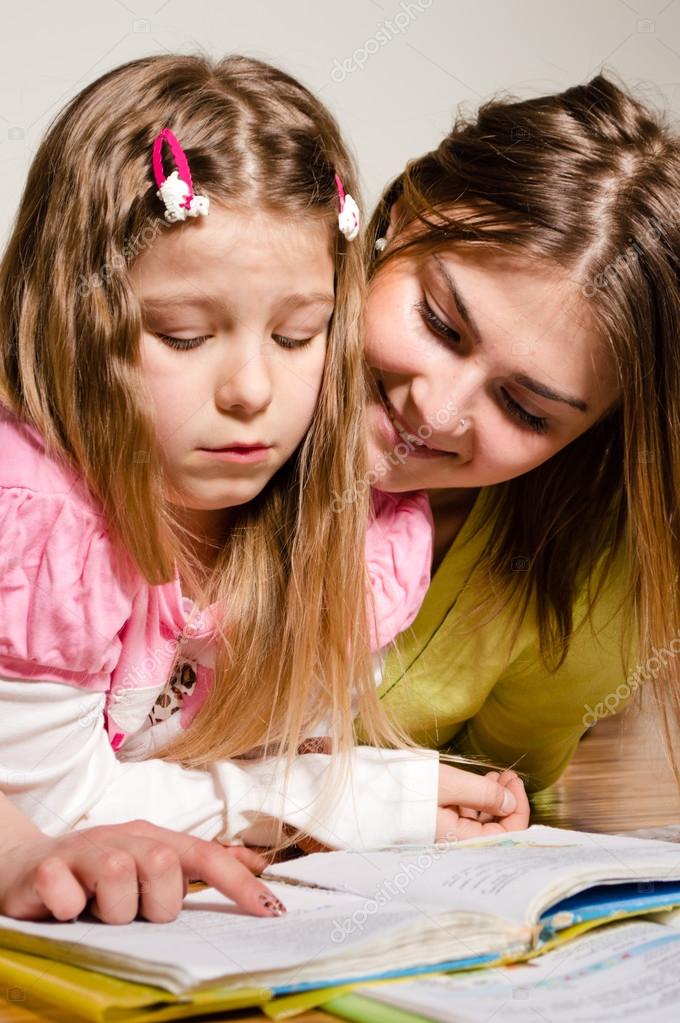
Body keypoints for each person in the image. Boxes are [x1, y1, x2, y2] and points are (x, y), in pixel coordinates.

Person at [0, 54, 528, 925]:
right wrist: (343, 800)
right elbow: (46, 811)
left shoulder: (349, 524)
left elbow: (278, 762)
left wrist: (319, 798)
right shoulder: (40, 516)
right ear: (72, 317)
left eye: (296, 335)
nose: (250, 390)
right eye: (181, 335)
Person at [358, 72, 680, 795]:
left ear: (594, 433)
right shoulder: (199, 374)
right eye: (440, 324)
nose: (438, 412)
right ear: (401, 219)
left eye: (527, 410)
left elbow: (492, 809)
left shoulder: (592, 580)